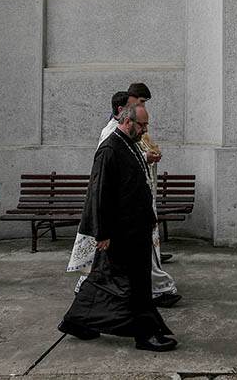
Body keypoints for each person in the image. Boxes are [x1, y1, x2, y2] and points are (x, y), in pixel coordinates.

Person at [58, 104, 177, 351]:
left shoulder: (129, 144)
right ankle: (145, 335)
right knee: (135, 285)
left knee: (103, 279)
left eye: (146, 125)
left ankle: (76, 320)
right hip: (121, 232)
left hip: (135, 228)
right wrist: (102, 233)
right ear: (127, 121)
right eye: (142, 125)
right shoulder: (110, 149)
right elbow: (100, 193)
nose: (145, 130)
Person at [68, 84, 180, 307]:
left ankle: (143, 295)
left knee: (123, 266)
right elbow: (104, 183)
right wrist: (103, 231)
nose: (145, 129)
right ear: (124, 115)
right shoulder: (111, 138)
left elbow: (131, 164)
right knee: (109, 265)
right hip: (121, 216)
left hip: (133, 215)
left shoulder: (128, 137)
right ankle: (97, 295)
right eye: (138, 105)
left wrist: (146, 159)